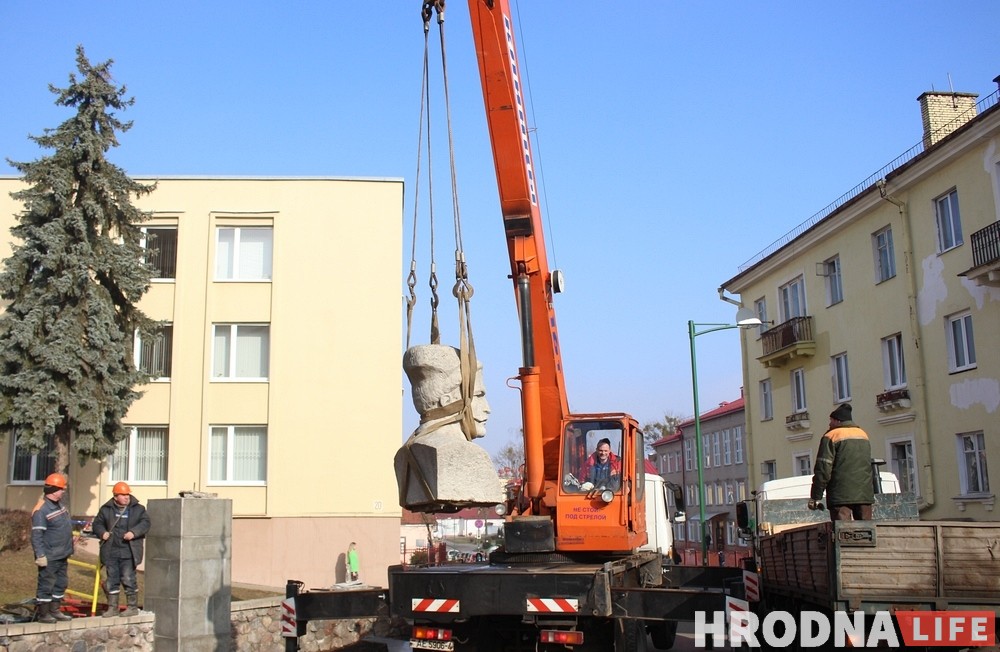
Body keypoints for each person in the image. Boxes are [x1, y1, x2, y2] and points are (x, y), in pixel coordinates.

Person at [93, 481, 151, 617]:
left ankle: (132, 607)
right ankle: (113, 608)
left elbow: (145, 523)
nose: (126, 497)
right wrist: (102, 532)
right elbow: (97, 524)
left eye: (127, 494)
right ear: (115, 496)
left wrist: (134, 532)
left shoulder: (138, 509)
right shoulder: (106, 509)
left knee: (128, 578)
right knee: (112, 580)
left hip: (128, 551)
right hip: (111, 550)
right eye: (123, 495)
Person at [809, 403, 875, 521]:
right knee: (866, 531)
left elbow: (823, 469)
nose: (829, 423)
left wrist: (815, 496)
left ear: (838, 421)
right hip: (865, 496)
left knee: (843, 533)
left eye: (831, 420)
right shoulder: (863, 435)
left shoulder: (831, 436)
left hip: (840, 497)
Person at [31, 473, 74, 623]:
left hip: (62, 553)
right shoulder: (41, 510)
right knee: (46, 585)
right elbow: (37, 535)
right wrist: (40, 555)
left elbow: (61, 527)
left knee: (61, 583)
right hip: (50, 556)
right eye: (61, 489)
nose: (63, 491)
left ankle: (55, 610)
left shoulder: (59, 505)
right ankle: (43, 614)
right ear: (53, 490)